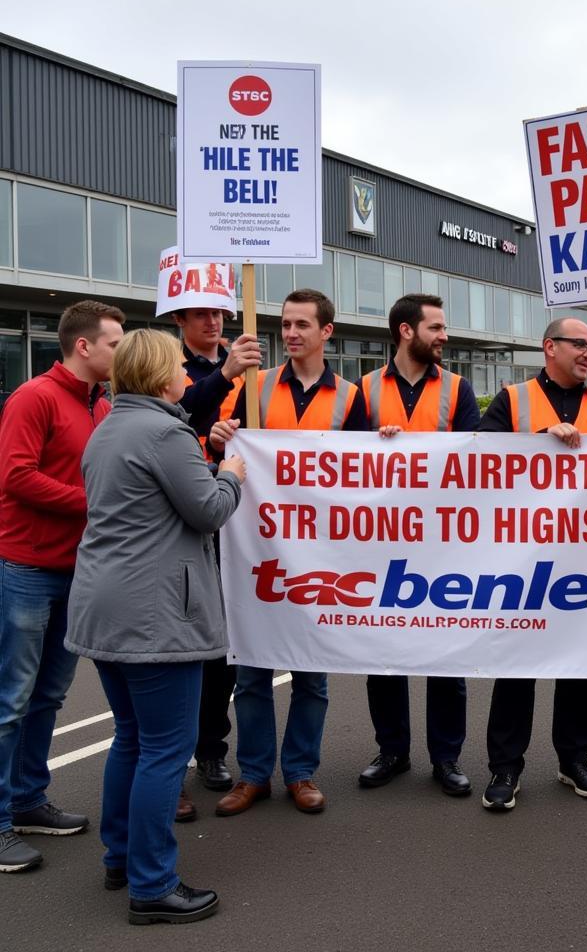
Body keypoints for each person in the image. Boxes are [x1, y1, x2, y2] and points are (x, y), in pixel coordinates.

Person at [65, 329, 245, 924]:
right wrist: (232, 474)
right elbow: (209, 510)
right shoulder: (166, 432)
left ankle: (121, 858)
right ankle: (152, 883)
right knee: (167, 749)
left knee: (133, 739)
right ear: (160, 373)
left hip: (104, 605)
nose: (186, 379)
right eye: (179, 369)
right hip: (155, 613)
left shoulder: (109, 426)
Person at [211, 290, 369, 818]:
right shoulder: (251, 386)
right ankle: (255, 774)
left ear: (327, 331)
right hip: (257, 543)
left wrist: (388, 444)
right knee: (252, 668)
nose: (291, 332)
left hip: (323, 550)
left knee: (311, 670)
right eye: (285, 323)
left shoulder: (351, 397)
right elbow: (221, 449)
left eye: (303, 323)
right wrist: (218, 436)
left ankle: (300, 772)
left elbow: (369, 476)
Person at [0, 300, 124, 874]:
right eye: (114, 343)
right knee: (10, 700)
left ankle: (26, 799)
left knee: (48, 694)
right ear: (83, 346)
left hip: (74, 569)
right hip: (25, 567)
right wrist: (93, 504)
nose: (119, 352)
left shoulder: (99, 404)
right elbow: (16, 475)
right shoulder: (34, 398)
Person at [477, 317, 587, 811]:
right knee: (515, 664)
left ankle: (575, 758)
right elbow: (480, 459)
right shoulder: (512, 400)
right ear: (549, 347)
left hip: (582, 558)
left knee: (579, 662)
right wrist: (539, 438)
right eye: (580, 344)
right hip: (522, 558)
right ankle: (505, 766)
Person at [358, 294, 480, 796]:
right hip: (380, 539)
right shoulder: (362, 389)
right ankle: (392, 751)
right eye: (436, 327)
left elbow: (479, 461)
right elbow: (339, 463)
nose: (444, 336)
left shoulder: (458, 388)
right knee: (383, 654)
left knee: (444, 653)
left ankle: (446, 757)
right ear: (406, 332)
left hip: (442, 540)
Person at [172, 306, 262, 819]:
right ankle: (175, 763)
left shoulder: (244, 364)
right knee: (187, 648)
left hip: (238, 518)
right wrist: (223, 378)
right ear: (180, 322)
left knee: (223, 647)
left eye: (218, 314)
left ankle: (211, 750)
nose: (213, 323)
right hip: (191, 516)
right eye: (200, 315)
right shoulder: (173, 366)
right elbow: (179, 413)